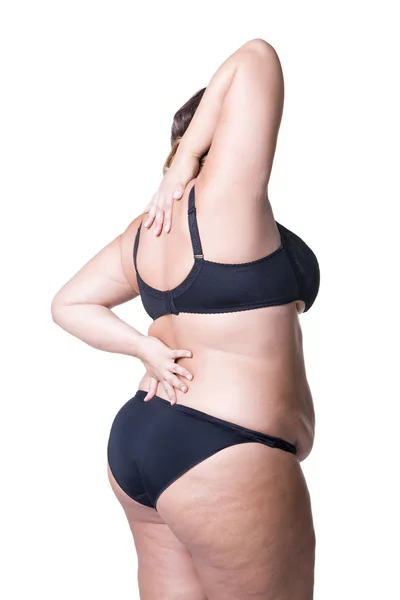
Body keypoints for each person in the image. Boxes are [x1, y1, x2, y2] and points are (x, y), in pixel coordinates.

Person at [51, 38, 320, 600]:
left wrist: (143, 348)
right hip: (227, 454)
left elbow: (69, 304)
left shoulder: (146, 231)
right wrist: (182, 168)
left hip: (140, 441)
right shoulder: (226, 200)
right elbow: (257, 57)